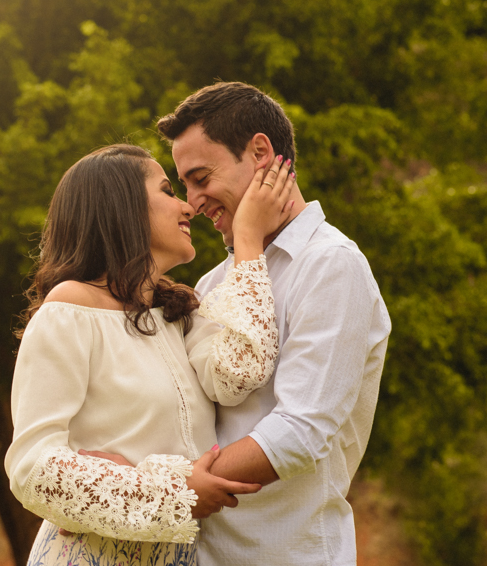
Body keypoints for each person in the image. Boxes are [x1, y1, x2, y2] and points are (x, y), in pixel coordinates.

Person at [4, 143, 296, 566]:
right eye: (167, 190)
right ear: (122, 208)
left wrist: (248, 244)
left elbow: (239, 375)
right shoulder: (69, 309)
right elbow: (32, 469)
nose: (188, 207)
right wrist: (176, 491)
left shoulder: (181, 312)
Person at [154, 82, 392, 566]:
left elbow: (300, 431)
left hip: (287, 553)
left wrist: (174, 488)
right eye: (185, 186)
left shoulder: (331, 264)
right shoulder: (213, 279)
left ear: (260, 152)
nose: (194, 201)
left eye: (201, 177)